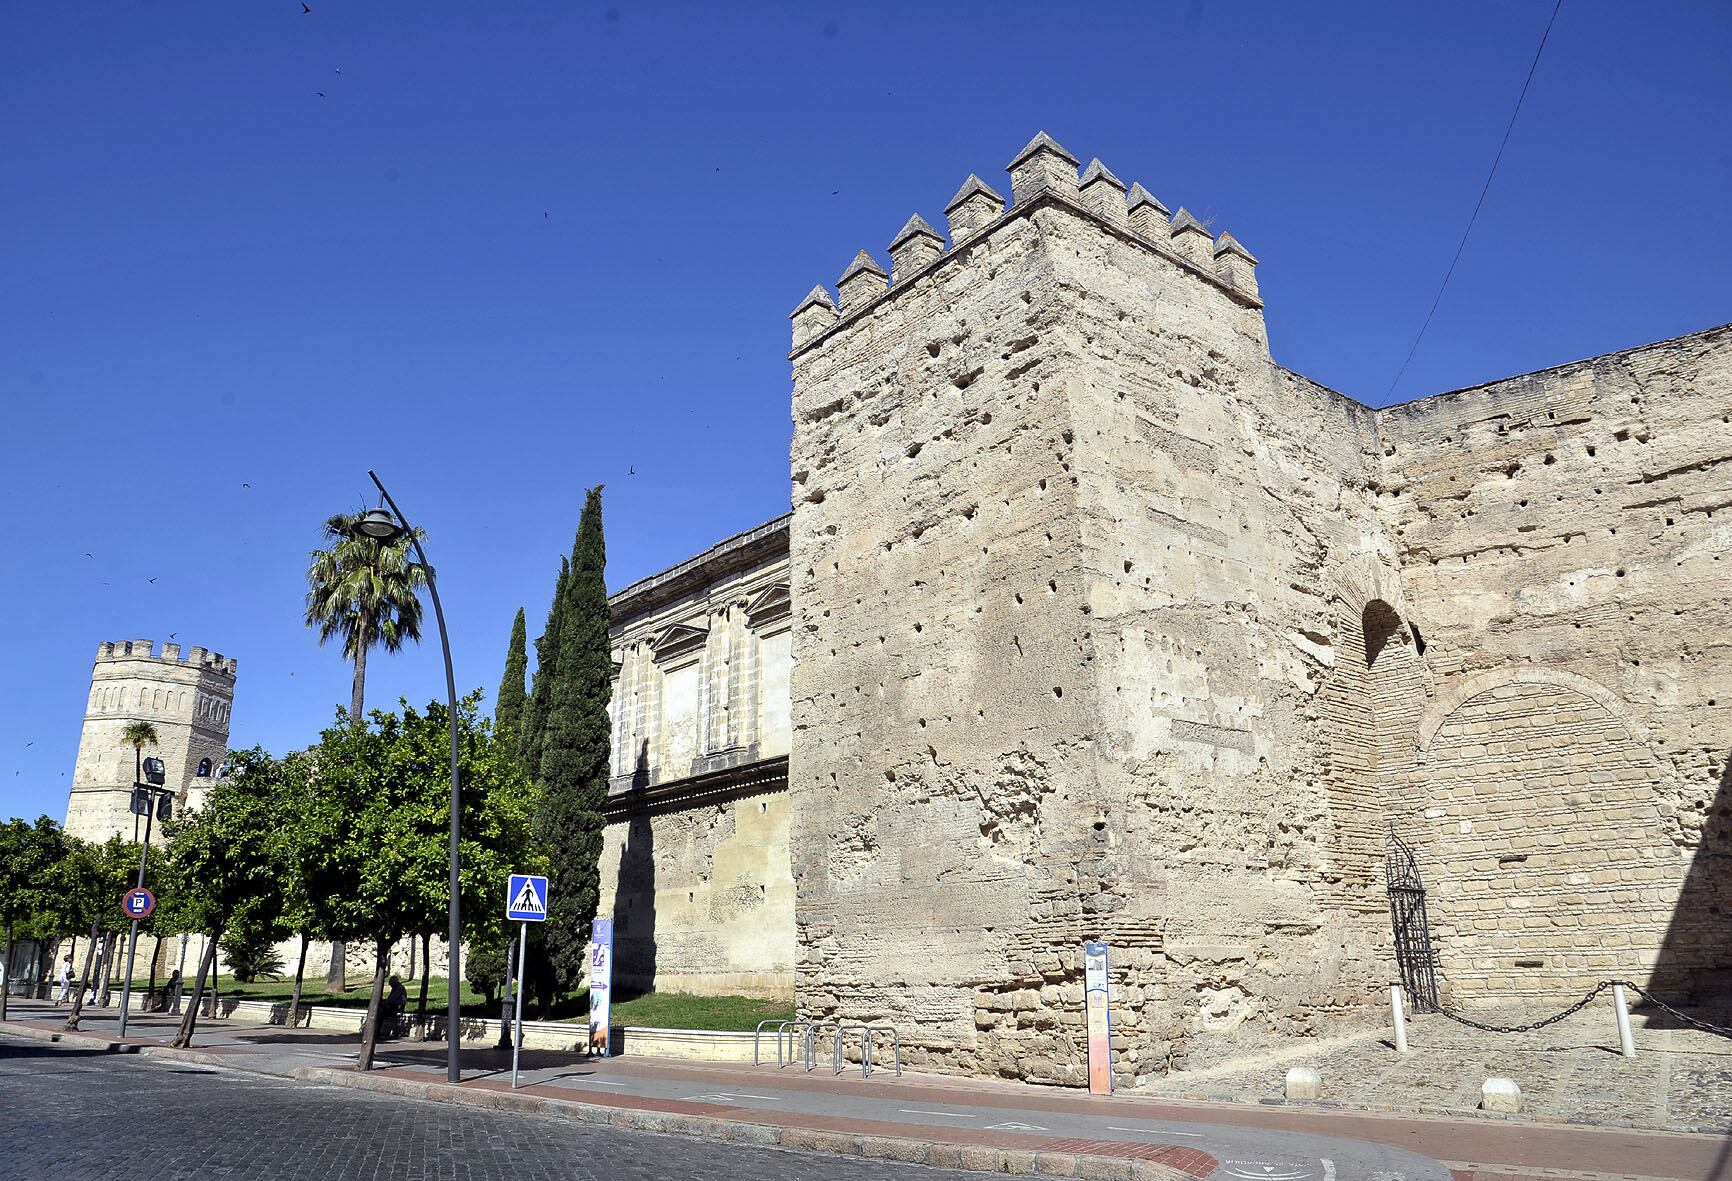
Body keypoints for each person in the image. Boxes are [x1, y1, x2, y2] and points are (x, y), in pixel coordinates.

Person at [380, 974, 407, 1039]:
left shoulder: (399, 988)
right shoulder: (396, 988)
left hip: (397, 1007)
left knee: (380, 1013)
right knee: (380, 1011)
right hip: (394, 1006)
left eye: (391, 984)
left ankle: (378, 1031)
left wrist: (384, 1003)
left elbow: (392, 999)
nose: (391, 986)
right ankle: (379, 1030)